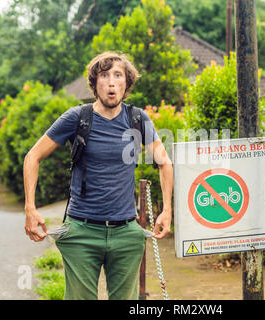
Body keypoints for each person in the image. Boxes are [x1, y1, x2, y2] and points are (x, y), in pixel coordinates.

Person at [23, 51, 173, 300]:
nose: (111, 82)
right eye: (104, 75)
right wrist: (30, 207)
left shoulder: (137, 119)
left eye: (118, 75)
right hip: (82, 231)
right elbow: (32, 157)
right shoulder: (77, 118)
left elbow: (164, 163)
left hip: (126, 233)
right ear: (95, 84)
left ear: (127, 83)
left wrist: (167, 210)